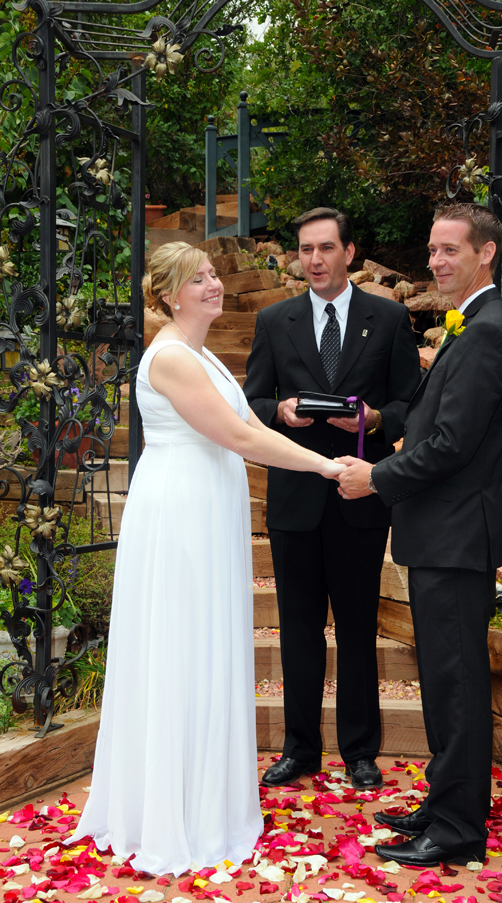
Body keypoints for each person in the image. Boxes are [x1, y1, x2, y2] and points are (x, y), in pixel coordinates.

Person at [70, 241, 346, 876]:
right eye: (199, 279)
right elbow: (243, 436)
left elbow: (243, 426)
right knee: (180, 647)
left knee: (206, 645)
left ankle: (205, 796)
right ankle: (173, 810)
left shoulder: (199, 354)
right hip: (180, 518)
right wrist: (327, 465)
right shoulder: (169, 356)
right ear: (169, 294)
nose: (215, 285)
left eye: (215, 274)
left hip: (206, 510)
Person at [337, 202, 502, 866]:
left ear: (486, 254)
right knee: (445, 683)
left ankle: (458, 826)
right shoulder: (469, 325)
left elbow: (447, 444)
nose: (437, 260)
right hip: (442, 536)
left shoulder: (490, 332)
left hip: (454, 538)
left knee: (457, 685)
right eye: (433, 248)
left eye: (451, 249)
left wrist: (376, 477)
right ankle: (445, 801)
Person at [243, 208, 421, 790]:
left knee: (355, 629)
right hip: (296, 499)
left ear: (349, 252)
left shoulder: (390, 319)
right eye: (304, 249)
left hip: (360, 495)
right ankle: (300, 750)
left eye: (325, 248)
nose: (313, 259)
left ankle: (361, 750)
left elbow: (409, 407)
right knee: (297, 629)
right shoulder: (274, 320)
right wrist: (280, 411)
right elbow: (251, 403)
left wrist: (373, 420)